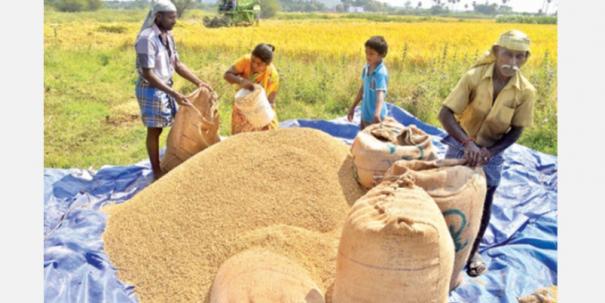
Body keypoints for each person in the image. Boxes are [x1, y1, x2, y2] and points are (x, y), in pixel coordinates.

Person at [438, 30, 536, 278]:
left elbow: (517, 130)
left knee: (485, 199)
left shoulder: (526, 92)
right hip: (462, 141)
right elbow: (446, 114)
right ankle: (439, 247)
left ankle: (472, 253)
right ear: (495, 52)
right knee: (446, 194)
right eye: (507, 54)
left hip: (492, 151)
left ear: (525, 58)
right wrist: (468, 144)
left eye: (519, 57)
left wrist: (489, 152)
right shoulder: (474, 77)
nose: (512, 62)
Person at [135, 0, 211, 180]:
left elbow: (177, 64)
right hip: (151, 89)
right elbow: (148, 74)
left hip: (165, 88)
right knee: (155, 130)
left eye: (175, 17)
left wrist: (199, 82)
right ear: (158, 17)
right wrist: (175, 94)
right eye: (170, 18)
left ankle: (171, 159)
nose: (174, 21)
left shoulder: (167, 36)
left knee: (176, 125)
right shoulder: (146, 39)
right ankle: (156, 171)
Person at [224, 43, 280, 134]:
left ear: (267, 65)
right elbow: (227, 74)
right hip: (242, 107)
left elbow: (271, 101)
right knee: (240, 138)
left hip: (259, 109)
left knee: (269, 133)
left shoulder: (272, 76)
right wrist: (241, 81)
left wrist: (268, 113)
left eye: (259, 64)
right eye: (253, 61)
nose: (254, 65)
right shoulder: (246, 61)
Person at [347, 36, 389, 130]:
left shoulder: (380, 73)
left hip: (376, 118)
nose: (367, 56)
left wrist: (377, 114)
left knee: (375, 143)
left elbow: (380, 94)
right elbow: (362, 89)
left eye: (371, 54)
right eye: (366, 52)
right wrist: (353, 107)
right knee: (363, 139)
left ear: (381, 55)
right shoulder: (366, 68)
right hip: (365, 114)